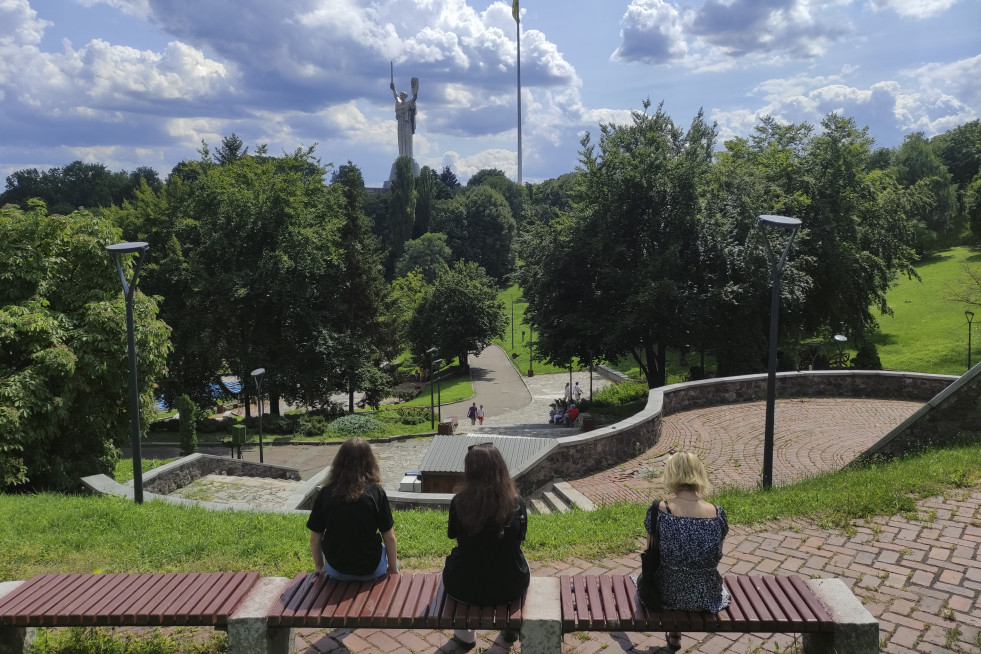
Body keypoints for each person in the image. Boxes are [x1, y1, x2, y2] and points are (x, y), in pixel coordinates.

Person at [638, 452, 730, 651]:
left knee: (643, 579)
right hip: (706, 596)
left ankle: (674, 632)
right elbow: (717, 555)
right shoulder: (718, 513)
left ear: (671, 475)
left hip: (666, 594)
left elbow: (649, 552)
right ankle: (675, 634)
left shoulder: (659, 510)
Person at [441, 443, 529, 650]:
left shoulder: (459, 502)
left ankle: (464, 637)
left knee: (454, 562)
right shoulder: (517, 503)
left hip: (462, 587)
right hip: (509, 587)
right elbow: (519, 539)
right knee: (522, 560)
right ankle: (509, 630)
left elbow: (454, 536)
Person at [307, 437, 398, 581]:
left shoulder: (326, 492)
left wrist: (319, 567)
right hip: (371, 569)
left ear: (339, 461)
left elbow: (315, 538)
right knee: (382, 548)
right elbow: (389, 537)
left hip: (336, 570)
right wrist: (393, 568)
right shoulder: (376, 492)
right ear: (370, 462)